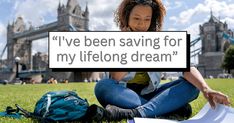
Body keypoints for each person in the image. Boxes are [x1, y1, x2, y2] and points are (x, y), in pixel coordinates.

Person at [86, 0, 231, 122]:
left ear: (153, 20)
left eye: (147, 19)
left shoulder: (160, 42)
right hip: (123, 94)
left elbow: (187, 67)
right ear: (126, 17)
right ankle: (166, 109)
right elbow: (116, 77)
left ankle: (134, 113)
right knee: (102, 86)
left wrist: (206, 89)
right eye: (136, 18)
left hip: (151, 95)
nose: (141, 24)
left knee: (192, 87)